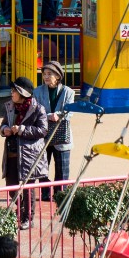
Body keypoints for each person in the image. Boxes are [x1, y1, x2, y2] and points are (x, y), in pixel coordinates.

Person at [0, 75, 49, 228]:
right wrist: (4, 130)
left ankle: (28, 218)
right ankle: (21, 208)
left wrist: (22, 130)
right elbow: (3, 124)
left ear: (22, 93)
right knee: (11, 186)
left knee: (28, 187)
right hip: (12, 153)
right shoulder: (9, 107)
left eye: (14, 91)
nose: (11, 94)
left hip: (29, 154)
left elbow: (43, 130)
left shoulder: (38, 108)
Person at [33, 58, 74, 196]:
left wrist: (59, 115)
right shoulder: (37, 92)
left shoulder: (69, 92)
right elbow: (36, 111)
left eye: (49, 74)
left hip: (61, 135)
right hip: (43, 135)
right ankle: (45, 192)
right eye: (44, 74)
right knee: (42, 167)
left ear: (57, 76)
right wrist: (49, 115)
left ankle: (60, 193)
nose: (45, 77)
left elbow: (69, 112)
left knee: (62, 169)